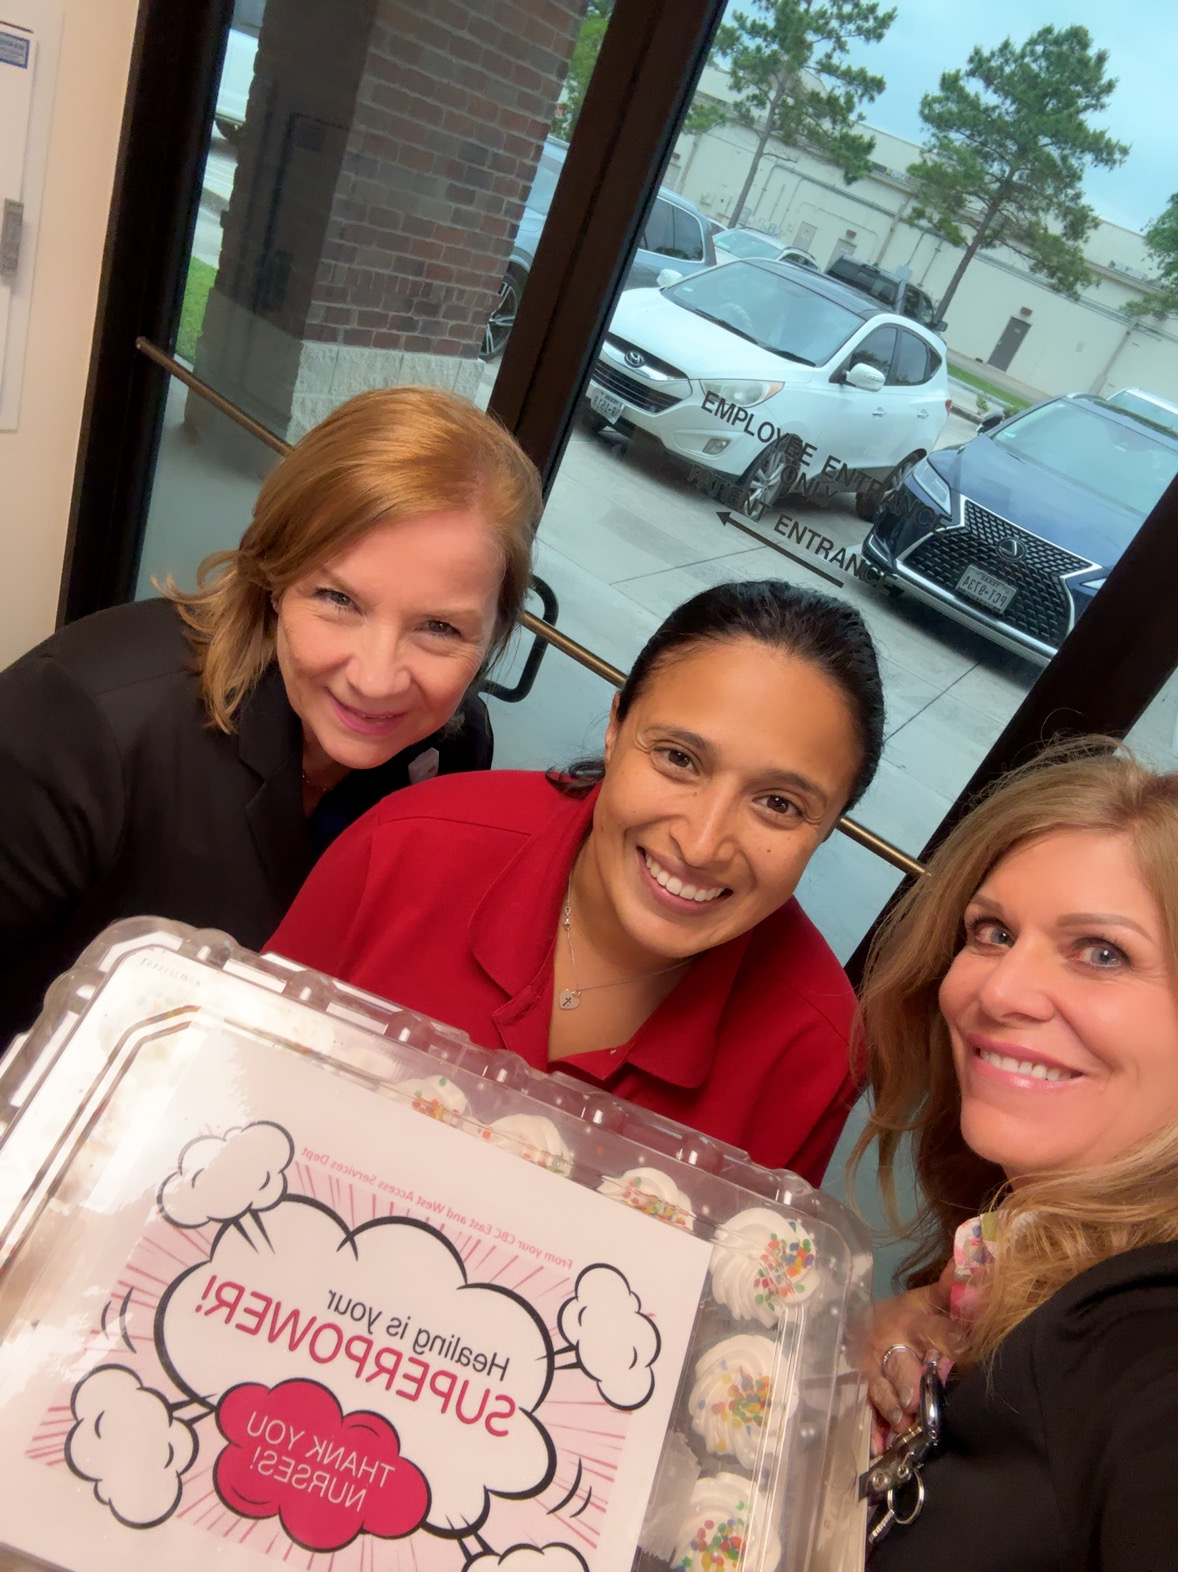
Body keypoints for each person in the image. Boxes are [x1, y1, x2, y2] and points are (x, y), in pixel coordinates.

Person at [269, 579, 885, 1181]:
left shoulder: (814, 1051)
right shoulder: (408, 846)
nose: (700, 845)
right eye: (678, 757)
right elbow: (234, 1075)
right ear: (616, 727)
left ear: (830, 824)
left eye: (778, 803)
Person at [0, 385, 540, 1045]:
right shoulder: (84, 722)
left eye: (439, 628)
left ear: (494, 636)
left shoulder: (454, 748)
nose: (375, 679)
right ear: (273, 578)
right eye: (339, 598)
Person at [854, 742, 1178, 1568]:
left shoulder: (1148, 1348)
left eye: (1103, 952)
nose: (995, 992)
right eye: (992, 932)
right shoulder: (1013, 1252)